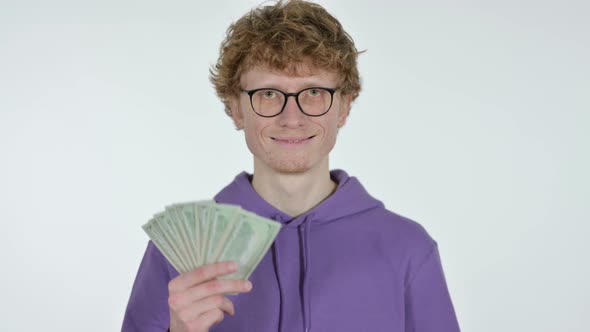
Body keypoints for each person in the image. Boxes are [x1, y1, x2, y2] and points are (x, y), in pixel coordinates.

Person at [122, 1, 461, 331]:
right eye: (268, 94)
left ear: (344, 107)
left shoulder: (408, 249)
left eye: (313, 92)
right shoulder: (180, 250)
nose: (292, 117)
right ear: (237, 109)